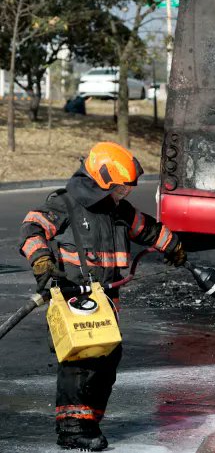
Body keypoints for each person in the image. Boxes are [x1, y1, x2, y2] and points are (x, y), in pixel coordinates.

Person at [18, 142, 186, 451]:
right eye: (121, 187)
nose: (126, 193)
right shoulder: (65, 205)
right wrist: (42, 260)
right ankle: (71, 429)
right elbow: (32, 229)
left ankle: (88, 423)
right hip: (74, 300)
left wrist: (172, 244)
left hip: (107, 303)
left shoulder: (118, 211)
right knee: (79, 362)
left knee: (107, 361)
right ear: (101, 179)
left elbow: (147, 229)